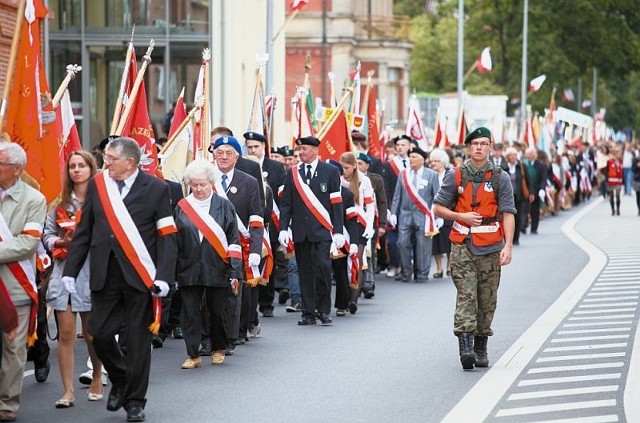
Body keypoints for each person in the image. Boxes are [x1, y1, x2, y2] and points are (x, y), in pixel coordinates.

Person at [62, 137, 178, 422]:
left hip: (140, 277)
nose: (106, 163)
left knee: (138, 341)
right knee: (99, 334)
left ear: (130, 161)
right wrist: (70, 272)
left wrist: (164, 276)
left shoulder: (156, 189)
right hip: (105, 275)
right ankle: (122, 379)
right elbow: (85, 230)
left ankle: (135, 401)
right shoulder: (100, 186)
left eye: (111, 158)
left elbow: (167, 236)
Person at [433, 127, 515, 371]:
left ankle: (481, 345)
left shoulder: (500, 177)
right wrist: (461, 216)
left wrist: (508, 246)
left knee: (487, 299)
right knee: (467, 295)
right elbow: (438, 208)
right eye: (474, 144)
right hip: (463, 245)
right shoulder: (455, 175)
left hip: (491, 247)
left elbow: (508, 212)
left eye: (483, 143)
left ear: (491, 147)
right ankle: (466, 348)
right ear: (469, 148)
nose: (478, 147)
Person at [44, 151, 104, 407]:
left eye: (81, 166)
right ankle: (68, 391)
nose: (76, 170)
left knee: (91, 334)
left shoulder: (102, 201)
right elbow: (46, 235)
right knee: (66, 335)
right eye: (72, 166)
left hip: (92, 273)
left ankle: (97, 376)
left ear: (92, 169)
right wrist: (59, 241)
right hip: (63, 272)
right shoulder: (59, 203)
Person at [173, 160, 242, 369]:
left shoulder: (224, 205)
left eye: (202, 184)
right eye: (194, 185)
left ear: (211, 183)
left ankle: (219, 347)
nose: (199, 189)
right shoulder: (182, 207)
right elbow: (174, 239)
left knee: (217, 310)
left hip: (217, 266)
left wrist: (235, 270)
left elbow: (234, 240)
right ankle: (193, 354)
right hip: (188, 267)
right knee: (190, 312)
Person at [0, 142, 47, 423]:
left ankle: (7, 404)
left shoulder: (34, 200)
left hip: (15, 287)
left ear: (17, 169)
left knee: (13, 350)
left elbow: (28, 244)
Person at [278, 136, 344, 325]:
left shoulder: (330, 171)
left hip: (322, 230)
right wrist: (284, 228)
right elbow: (286, 203)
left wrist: (338, 231)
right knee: (305, 271)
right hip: (300, 231)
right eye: (299, 149)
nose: (301, 152)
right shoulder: (293, 173)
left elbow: (336, 203)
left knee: (323, 268)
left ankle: (323, 310)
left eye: (305, 149)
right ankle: (308, 313)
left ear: (315, 150)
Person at [210, 136, 263, 353]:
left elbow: (256, 219)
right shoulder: (205, 178)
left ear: (236, 157)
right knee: (209, 294)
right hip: (209, 244)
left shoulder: (249, 182)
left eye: (228, 153)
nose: (223, 157)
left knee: (233, 294)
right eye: (219, 152)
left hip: (238, 246)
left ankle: (231, 338)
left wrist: (256, 250)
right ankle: (208, 338)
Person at [244, 131, 286, 318]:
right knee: (252, 262)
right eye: (249, 146)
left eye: (256, 147)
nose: (252, 150)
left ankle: (266, 303)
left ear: (263, 147)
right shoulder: (243, 165)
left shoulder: (276, 167)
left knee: (268, 260)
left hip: (271, 222)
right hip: (248, 222)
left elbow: (282, 197)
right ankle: (251, 307)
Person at [389, 146, 440, 283]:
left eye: (413, 157)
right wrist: (393, 213)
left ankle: (422, 273)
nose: (410, 159)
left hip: (423, 216)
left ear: (422, 160)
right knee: (402, 243)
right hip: (405, 214)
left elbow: (437, 197)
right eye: (410, 157)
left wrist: (438, 217)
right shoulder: (403, 174)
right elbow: (397, 196)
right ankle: (406, 272)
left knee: (423, 245)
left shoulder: (432, 175)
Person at [340, 152, 374, 311]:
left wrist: (370, 225)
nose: (344, 170)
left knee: (356, 258)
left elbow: (370, 205)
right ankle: (344, 297)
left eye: (347, 167)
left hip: (359, 222)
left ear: (354, 166)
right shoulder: (338, 179)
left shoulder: (364, 180)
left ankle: (354, 299)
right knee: (342, 261)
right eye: (343, 167)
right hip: (342, 222)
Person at [428, 148, 453, 277]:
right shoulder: (429, 174)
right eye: (431, 161)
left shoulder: (450, 174)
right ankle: (439, 268)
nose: (433, 164)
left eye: (436, 161)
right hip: (433, 211)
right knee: (436, 241)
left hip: (448, 211)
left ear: (443, 162)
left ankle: (449, 265)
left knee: (448, 239)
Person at [504, 147, 530, 246]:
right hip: (507, 197)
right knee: (507, 217)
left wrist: (530, 193)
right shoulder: (504, 167)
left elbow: (527, 180)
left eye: (515, 155)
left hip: (519, 196)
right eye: (511, 155)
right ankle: (508, 238)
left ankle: (516, 238)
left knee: (517, 217)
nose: (514, 157)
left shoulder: (521, 166)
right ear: (508, 157)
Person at [523, 147, 547, 234]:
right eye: (527, 154)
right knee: (524, 209)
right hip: (525, 190)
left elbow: (543, 179)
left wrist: (542, 189)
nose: (528, 156)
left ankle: (534, 227)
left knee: (534, 210)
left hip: (536, 190)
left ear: (534, 155)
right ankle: (523, 226)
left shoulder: (540, 165)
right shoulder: (524, 164)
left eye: (529, 154)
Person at [603, 145, 623, 215]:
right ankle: (612, 210)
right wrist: (607, 179)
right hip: (611, 180)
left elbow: (622, 170)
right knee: (611, 195)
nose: (618, 154)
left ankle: (618, 209)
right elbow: (606, 170)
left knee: (617, 195)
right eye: (616, 153)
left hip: (618, 180)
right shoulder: (609, 161)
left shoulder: (621, 161)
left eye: (618, 153)